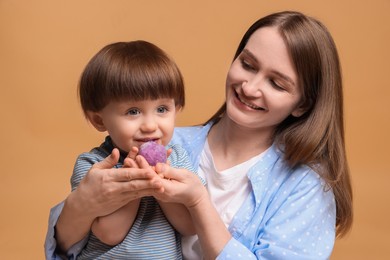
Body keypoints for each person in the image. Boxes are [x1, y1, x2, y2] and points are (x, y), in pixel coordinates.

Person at [45, 11, 353, 259]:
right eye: (247, 64)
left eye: (277, 83)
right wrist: (81, 206)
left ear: (303, 104)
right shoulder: (168, 142)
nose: (250, 87)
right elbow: (66, 248)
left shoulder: (307, 187)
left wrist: (198, 202)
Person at [46, 40, 204, 259]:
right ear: (99, 120)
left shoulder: (176, 159)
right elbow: (109, 233)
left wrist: (159, 181)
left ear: (176, 109)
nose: (150, 125)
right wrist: (135, 186)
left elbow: (190, 226)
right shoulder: (95, 167)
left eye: (161, 109)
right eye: (133, 112)